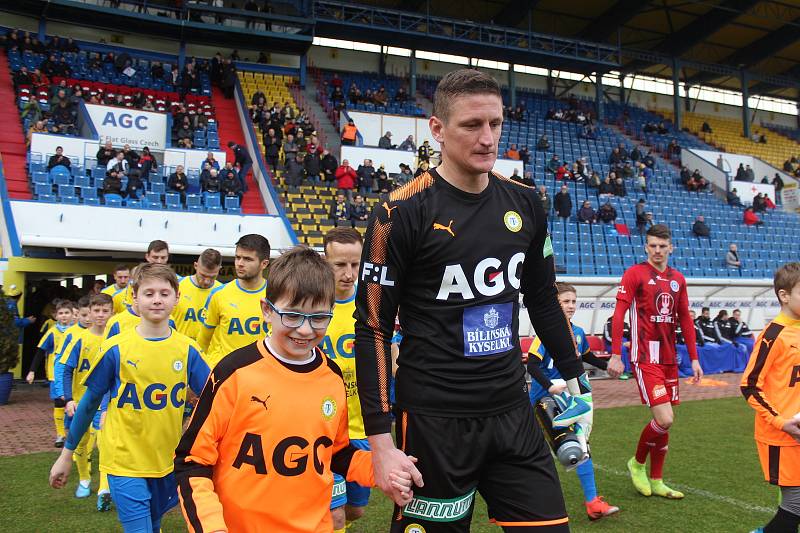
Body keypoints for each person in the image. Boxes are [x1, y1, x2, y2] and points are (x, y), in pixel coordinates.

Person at [355, 69, 590, 532]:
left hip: (512, 413)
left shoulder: (526, 203)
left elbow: (542, 297)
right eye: (472, 125)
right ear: (437, 129)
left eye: (496, 124)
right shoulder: (397, 214)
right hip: (434, 423)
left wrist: (576, 379)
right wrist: (381, 444)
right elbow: (374, 328)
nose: (488, 138)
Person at [174, 246, 413, 532]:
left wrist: (384, 468)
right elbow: (192, 460)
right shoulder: (233, 373)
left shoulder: (331, 377)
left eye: (318, 318)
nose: (304, 329)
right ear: (266, 310)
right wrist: (211, 526)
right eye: (292, 316)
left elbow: (336, 454)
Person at [48, 264, 211, 533]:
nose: (157, 299)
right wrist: (66, 455)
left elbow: (213, 401)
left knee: (154, 525)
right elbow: (89, 404)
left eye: (164, 293)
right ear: (133, 298)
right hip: (124, 460)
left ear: (177, 297)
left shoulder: (188, 350)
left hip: (166, 461)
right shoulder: (116, 348)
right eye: (148, 293)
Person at [608, 224, 703, 500]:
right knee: (665, 418)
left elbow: (685, 319)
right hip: (645, 357)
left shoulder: (678, 279)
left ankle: (658, 479)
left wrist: (694, 359)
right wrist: (616, 354)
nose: (658, 250)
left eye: (662, 246)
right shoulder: (635, 273)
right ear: (646, 247)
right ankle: (637, 464)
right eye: (653, 245)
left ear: (670, 247)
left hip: (669, 358)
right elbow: (618, 314)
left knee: (664, 422)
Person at [527, 283, 619, 521]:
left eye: (573, 302)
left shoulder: (577, 331)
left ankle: (592, 503)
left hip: (569, 395)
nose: (571, 306)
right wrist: (550, 386)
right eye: (565, 301)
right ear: (555, 303)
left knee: (580, 444)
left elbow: (586, 356)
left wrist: (607, 366)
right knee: (527, 450)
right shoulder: (545, 331)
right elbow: (533, 366)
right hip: (544, 398)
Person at [320, 229, 374, 530]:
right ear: (325, 262)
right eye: (340, 265)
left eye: (355, 265)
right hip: (323, 427)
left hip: (362, 426)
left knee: (356, 509)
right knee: (335, 514)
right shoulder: (313, 307)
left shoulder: (370, 306)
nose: (348, 273)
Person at [741, 262, 800, 533]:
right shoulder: (772, 335)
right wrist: (780, 422)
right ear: (784, 295)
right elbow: (750, 386)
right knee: (795, 505)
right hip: (781, 435)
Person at [56, 293, 113, 501]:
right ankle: (84, 480)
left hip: (106, 404)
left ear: (111, 313)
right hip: (81, 401)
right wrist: (68, 398)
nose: (100, 315)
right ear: (89, 311)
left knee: (105, 442)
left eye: (105, 311)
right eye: (96, 311)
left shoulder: (116, 339)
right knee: (80, 442)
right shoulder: (79, 338)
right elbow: (67, 369)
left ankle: (104, 488)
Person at [198, 234, 270, 368]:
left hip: (261, 373)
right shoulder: (219, 294)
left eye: (248, 259)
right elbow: (203, 341)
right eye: (238, 257)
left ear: (264, 264)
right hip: (225, 374)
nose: (240, 263)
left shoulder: (276, 296)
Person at [26, 299, 73, 447]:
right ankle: (60, 434)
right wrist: (32, 371)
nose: (64, 316)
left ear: (73, 314)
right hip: (56, 375)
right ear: (55, 316)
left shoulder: (78, 330)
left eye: (67, 313)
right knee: (59, 403)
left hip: (74, 374)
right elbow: (40, 352)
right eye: (61, 313)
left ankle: (73, 431)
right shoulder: (52, 332)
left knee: (74, 403)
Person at [171, 249, 222, 340]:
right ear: (195, 266)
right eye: (203, 275)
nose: (206, 281)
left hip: (208, 352)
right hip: (179, 349)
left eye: (212, 277)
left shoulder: (222, 292)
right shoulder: (176, 286)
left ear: (219, 269)